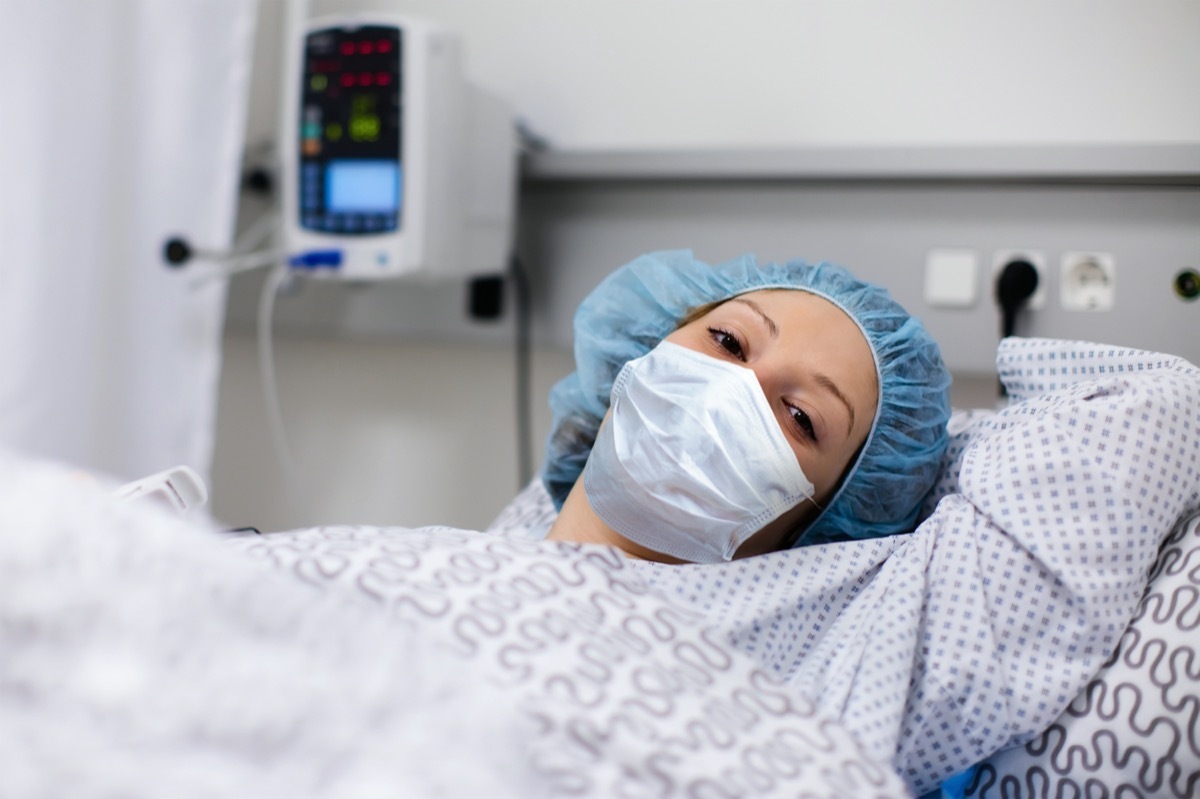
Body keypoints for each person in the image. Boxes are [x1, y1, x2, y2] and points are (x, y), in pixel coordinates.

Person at [540, 250, 952, 563]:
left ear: (814, 531)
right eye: (728, 341)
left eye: (800, 417)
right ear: (652, 341)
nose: (728, 391)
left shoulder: (715, 676)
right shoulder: (476, 565)